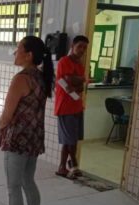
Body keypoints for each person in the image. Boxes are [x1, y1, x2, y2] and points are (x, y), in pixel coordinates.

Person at [0, 36, 54, 205]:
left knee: (13, 187)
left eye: (18, 49)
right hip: (34, 138)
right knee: (28, 181)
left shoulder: (21, 79)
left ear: (28, 55)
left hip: (18, 139)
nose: (14, 53)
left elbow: (7, 114)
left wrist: (0, 129)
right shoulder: (41, 77)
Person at [54, 35, 89, 179]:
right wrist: (76, 81)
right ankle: (73, 164)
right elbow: (65, 82)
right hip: (65, 107)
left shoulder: (80, 65)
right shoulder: (64, 61)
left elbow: (80, 85)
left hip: (77, 106)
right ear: (72, 47)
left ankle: (63, 167)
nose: (82, 50)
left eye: (85, 48)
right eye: (79, 46)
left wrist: (76, 80)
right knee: (69, 139)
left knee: (72, 139)